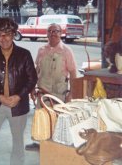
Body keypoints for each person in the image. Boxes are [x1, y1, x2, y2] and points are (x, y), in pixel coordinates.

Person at [0, 17, 37, 165]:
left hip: (18, 105)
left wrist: (18, 96)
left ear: (13, 34)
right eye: (0, 34)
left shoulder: (24, 54)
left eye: (7, 33)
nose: (4, 38)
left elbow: (32, 79)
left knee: (18, 141)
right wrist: (0, 97)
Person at [25, 23, 77, 151]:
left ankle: (56, 144)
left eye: (56, 31)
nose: (53, 33)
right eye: (50, 31)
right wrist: (31, 88)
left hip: (59, 92)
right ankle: (39, 143)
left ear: (61, 33)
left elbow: (73, 72)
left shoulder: (66, 51)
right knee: (41, 117)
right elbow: (36, 70)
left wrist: (72, 93)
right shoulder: (42, 50)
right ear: (47, 33)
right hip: (43, 91)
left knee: (58, 118)